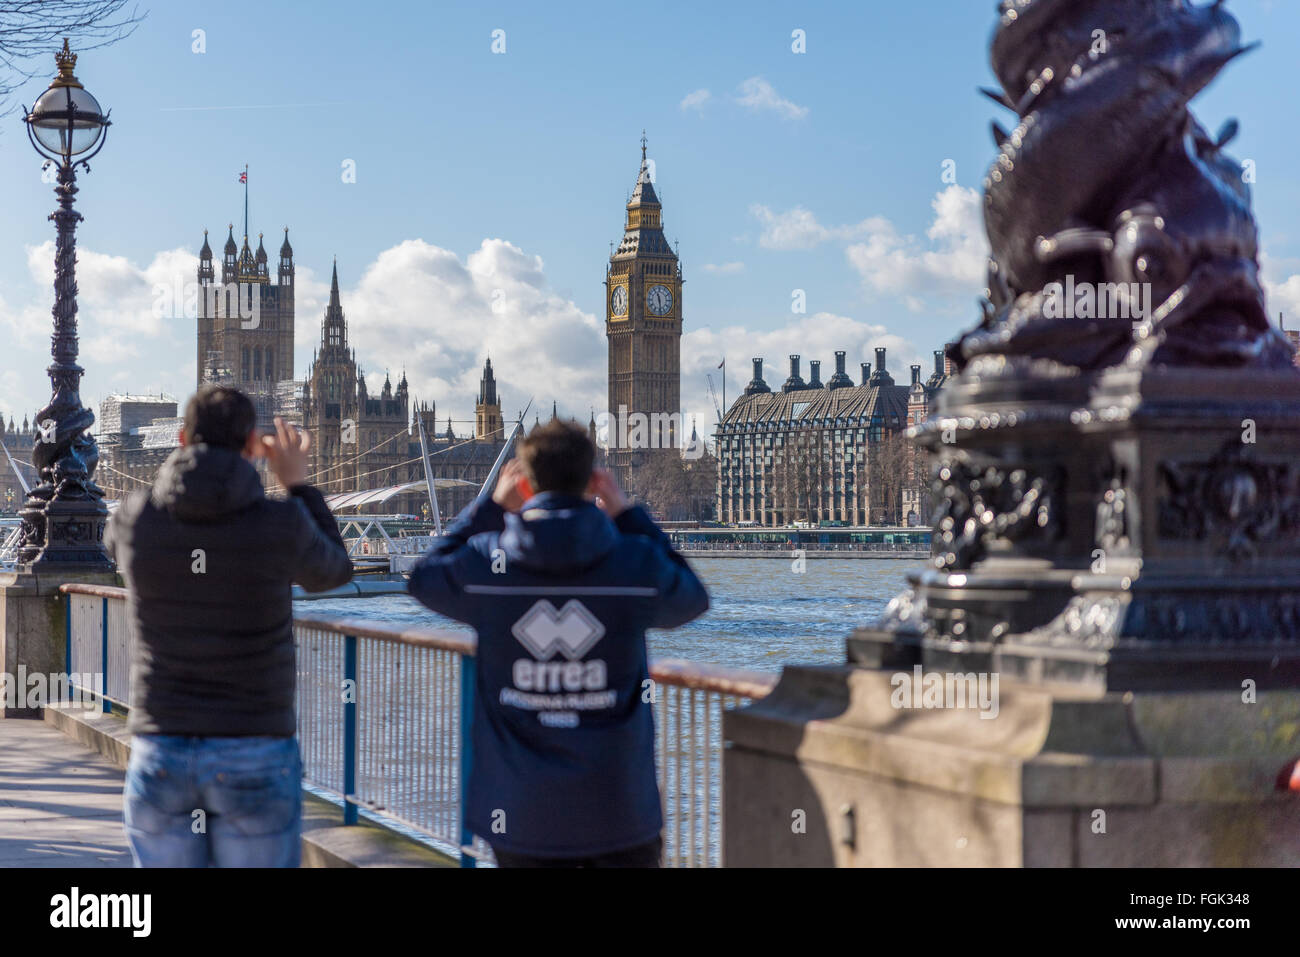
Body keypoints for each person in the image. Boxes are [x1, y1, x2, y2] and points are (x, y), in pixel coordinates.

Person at [408, 419, 709, 867]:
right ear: (595, 481)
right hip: (619, 813)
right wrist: (629, 515)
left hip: (521, 816)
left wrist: (489, 509)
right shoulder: (633, 562)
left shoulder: (488, 563)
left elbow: (422, 577)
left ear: (525, 485)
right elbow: (693, 597)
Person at [106, 385, 353, 867]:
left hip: (162, 742)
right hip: (253, 744)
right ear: (252, 447)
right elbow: (335, 571)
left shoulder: (135, 518)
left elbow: (115, 543)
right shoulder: (281, 523)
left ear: (180, 438)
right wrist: (299, 484)